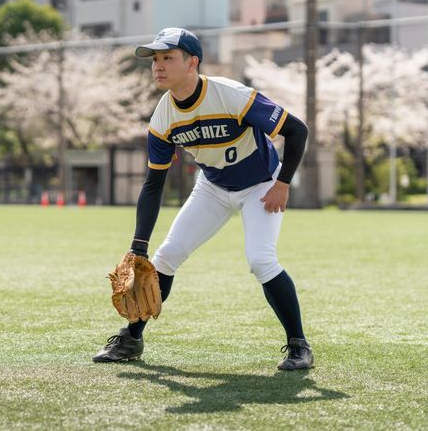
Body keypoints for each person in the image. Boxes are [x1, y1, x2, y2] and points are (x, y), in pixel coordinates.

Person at [92, 28, 313, 371]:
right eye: (155, 59)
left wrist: (283, 183)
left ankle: (299, 346)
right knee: (165, 257)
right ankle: (132, 338)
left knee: (260, 259)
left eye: (168, 58)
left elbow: (296, 130)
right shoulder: (163, 117)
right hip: (213, 186)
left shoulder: (230, 95)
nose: (158, 66)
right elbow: (154, 183)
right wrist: (138, 245)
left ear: (192, 62)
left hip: (261, 185)